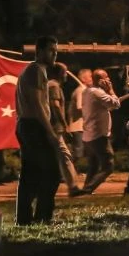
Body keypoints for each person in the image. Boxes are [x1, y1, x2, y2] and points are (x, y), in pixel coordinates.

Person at [16, 37, 62, 225]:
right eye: (51, 50)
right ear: (40, 51)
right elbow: (37, 105)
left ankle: (25, 218)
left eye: (56, 50)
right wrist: (49, 131)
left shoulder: (33, 70)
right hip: (33, 126)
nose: (54, 54)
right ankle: (43, 216)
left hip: (27, 125)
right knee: (51, 173)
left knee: (30, 173)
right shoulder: (36, 70)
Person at [47, 63, 86, 197]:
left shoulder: (50, 85)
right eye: (65, 73)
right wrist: (64, 125)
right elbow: (55, 106)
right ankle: (73, 187)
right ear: (58, 73)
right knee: (65, 155)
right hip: (55, 127)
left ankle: (70, 186)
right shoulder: (54, 86)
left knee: (58, 157)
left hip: (51, 127)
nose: (66, 76)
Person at [81, 69, 120, 193]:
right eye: (106, 77)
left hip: (89, 135)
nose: (109, 80)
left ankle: (86, 189)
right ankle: (88, 189)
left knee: (93, 166)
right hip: (98, 135)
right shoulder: (97, 93)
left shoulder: (87, 91)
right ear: (99, 80)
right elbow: (115, 104)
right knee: (108, 165)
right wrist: (111, 90)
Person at [67, 69, 89, 159]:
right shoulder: (81, 90)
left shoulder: (84, 90)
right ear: (83, 79)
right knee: (78, 150)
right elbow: (79, 106)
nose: (92, 78)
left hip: (82, 125)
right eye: (90, 76)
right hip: (78, 125)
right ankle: (74, 170)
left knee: (81, 149)